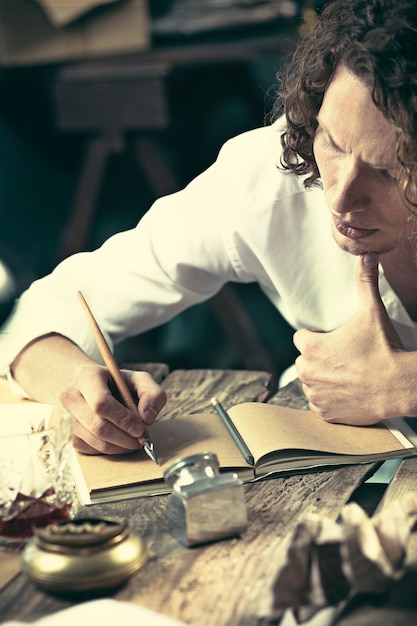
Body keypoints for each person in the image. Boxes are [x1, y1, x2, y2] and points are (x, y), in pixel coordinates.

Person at [1, 0, 417, 456]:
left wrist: (404, 385)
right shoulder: (267, 180)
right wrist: (74, 385)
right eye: (333, 142)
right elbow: (47, 308)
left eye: (387, 173)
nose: (339, 198)